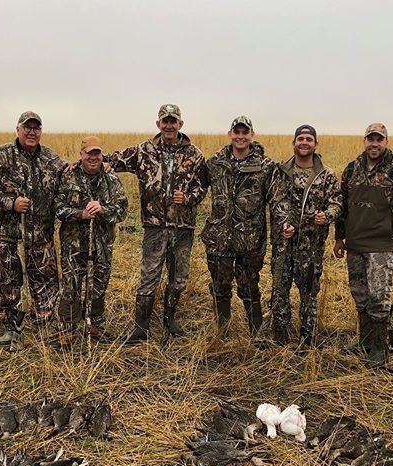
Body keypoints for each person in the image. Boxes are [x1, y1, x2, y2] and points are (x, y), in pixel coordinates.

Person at [105, 104, 209, 343]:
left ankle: (169, 319)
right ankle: (141, 327)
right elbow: (112, 160)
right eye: (165, 121)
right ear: (158, 124)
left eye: (173, 121)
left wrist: (189, 198)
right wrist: (87, 163)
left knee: (179, 276)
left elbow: (202, 187)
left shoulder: (194, 154)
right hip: (154, 225)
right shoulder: (144, 150)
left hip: (183, 227)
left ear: (181, 124)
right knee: (149, 275)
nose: (169, 125)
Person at [334, 123, 393, 366]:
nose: (374, 144)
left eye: (379, 139)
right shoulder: (352, 169)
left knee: (379, 295)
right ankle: (365, 341)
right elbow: (342, 206)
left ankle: (380, 348)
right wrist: (339, 237)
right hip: (355, 243)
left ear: (386, 141)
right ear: (364, 141)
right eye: (370, 139)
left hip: (382, 244)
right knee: (359, 293)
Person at [0, 111, 66, 346]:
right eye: (27, 127)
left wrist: (102, 166)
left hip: (40, 235)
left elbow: (70, 179)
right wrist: (10, 203)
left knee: (46, 279)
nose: (32, 132)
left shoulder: (52, 160)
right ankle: (11, 327)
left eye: (37, 128)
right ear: (18, 129)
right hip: (8, 235)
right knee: (8, 280)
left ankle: (45, 325)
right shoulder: (0, 156)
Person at [201, 116, 279, 336]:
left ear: (252, 135)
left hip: (250, 240)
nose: (240, 136)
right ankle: (222, 333)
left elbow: (276, 201)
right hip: (219, 238)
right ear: (230, 134)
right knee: (220, 286)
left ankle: (256, 334)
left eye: (245, 133)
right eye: (237, 132)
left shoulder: (266, 166)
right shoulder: (215, 162)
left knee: (249, 287)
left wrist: (283, 227)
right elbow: (197, 187)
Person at [269, 125, 342, 347]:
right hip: (284, 244)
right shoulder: (280, 171)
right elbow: (275, 201)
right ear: (293, 143)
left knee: (309, 294)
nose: (304, 142)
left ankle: (307, 339)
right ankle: (280, 335)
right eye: (300, 138)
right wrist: (283, 224)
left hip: (311, 247)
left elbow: (337, 202)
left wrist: (327, 215)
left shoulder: (326, 175)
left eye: (309, 139)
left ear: (315, 144)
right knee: (280, 290)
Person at [54, 136, 128, 344]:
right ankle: (67, 330)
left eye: (97, 153)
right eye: (89, 153)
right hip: (74, 245)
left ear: (102, 155)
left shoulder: (112, 180)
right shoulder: (68, 177)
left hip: (102, 245)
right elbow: (57, 208)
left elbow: (122, 210)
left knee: (98, 285)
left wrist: (103, 210)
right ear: (81, 155)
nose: (93, 157)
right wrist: (81, 214)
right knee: (71, 286)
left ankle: (95, 326)